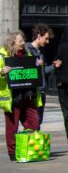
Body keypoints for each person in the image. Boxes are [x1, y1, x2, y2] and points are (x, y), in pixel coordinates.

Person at [1, 31, 43, 161]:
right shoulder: (3, 55)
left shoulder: (28, 54)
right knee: (12, 126)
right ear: (12, 42)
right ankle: (13, 152)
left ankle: (27, 146)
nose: (23, 43)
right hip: (13, 96)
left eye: (23, 40)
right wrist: (2, 72)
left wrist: (38, 65)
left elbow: (32, 69)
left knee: (34, 121)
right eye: (20, 41)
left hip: (28, 94)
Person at [25, 23, 54, 126]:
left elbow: (43, 70)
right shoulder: (27, 49)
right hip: (32, 92)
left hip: (41, 91)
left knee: (38, 122)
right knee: (33, 122)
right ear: (38, 36)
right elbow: (24, 68)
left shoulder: (40, 52)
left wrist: (53, 66)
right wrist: (36, 64)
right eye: (46, 39)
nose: (47, 41)